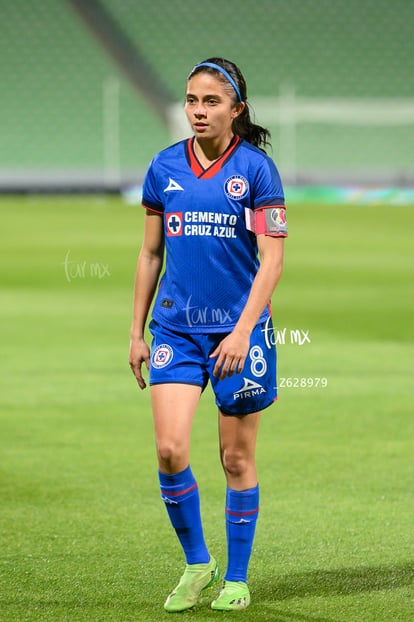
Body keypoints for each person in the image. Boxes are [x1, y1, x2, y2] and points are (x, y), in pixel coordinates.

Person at [129, 57, 287, 613]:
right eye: (192, 100)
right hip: (176, 329)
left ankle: (237, 577)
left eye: (211, 101)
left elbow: (272, 260)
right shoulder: (164, 168)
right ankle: (199, 563)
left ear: (236, 109)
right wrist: (135, 330)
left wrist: (245, 332)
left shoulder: (257, 171)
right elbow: (150, 253)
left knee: (235, 460)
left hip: (239, 337)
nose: (198, 111)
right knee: (170, 450)